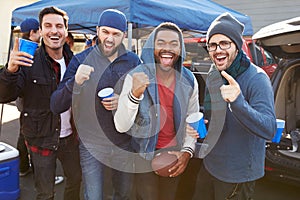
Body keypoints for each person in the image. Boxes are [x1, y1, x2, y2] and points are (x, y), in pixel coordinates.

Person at [50, 9, 141, 200]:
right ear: (97, 30)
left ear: (124, 35)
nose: (110, 38)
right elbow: (56, 105)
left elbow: (145, 101)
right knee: (93, 196)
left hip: (123, 143)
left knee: (123, 194)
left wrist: (123, 101)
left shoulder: (133, 61)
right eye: (106, 32)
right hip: (91, 144)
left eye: (116, 34)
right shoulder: (81, 60)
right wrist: (75, 81)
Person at [189, 12, 277, 199]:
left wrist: (238, 102)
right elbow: (215, 118)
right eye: (212, 45)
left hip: (237, 173)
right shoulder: (214, 75)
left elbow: (269, 129)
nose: (217, 49)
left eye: (225, 43)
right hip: (211, 163)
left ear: (236, 47)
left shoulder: (257, 78)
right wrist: (202, 122)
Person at [0, 6, 82, 200]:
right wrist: (10, 71)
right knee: (45, 193)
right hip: (40, 138)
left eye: (59, 26)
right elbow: (4, 96)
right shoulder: (28, 60)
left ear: (66, 30)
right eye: (48, 25)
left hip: (70, 138)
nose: (54, 30)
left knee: (75, 180)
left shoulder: (75, 61)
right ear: (41, 30)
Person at [114, 22, 199, 200]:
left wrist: (187, 151)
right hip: (144, 153)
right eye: (161, 42)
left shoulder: (189, 80)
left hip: (174, 153)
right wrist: (134, 95)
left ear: (181, 49)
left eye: (174, 44)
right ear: (152, 46)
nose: (167, 48)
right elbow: (121, 126)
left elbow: (193, 117)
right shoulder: (135, 76)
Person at [17, 18, 40, 177]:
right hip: (30, 101)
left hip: (22, 101)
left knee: (23, 133)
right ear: (32, 33)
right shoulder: (30, 50)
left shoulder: (19, 48)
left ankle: (23, 167)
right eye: (39, 30)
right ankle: (32, 169)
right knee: (30, 136)